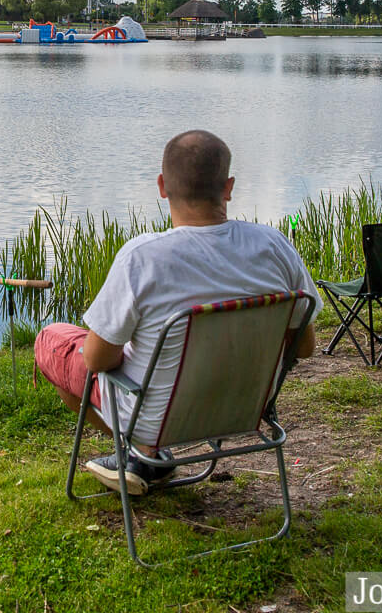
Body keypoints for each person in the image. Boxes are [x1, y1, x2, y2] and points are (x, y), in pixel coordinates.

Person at [34, 130, 318, 495]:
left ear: (162, 186)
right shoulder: (274, 246)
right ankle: (144, 458)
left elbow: (97, 359)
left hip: (158, 419)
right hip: (246, 408)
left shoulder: (141, 258)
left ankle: (142, 452)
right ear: (228, 187)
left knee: (51, 339)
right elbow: (305, 346)